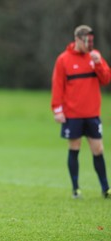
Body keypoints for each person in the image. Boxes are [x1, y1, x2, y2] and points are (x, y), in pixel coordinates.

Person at [51, 25, 111, 199]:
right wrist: (57, 109)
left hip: (92, 114)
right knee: (74, 148)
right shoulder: (63, 59)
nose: (89, 45)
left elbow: (106, 79)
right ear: (77, 39)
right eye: (86, 41)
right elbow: (57, 85)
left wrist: (99, 63)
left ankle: (105, 188)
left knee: (98, 149)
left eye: (91, 41)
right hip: (73, 114)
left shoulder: (95, 57)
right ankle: (76, 189)